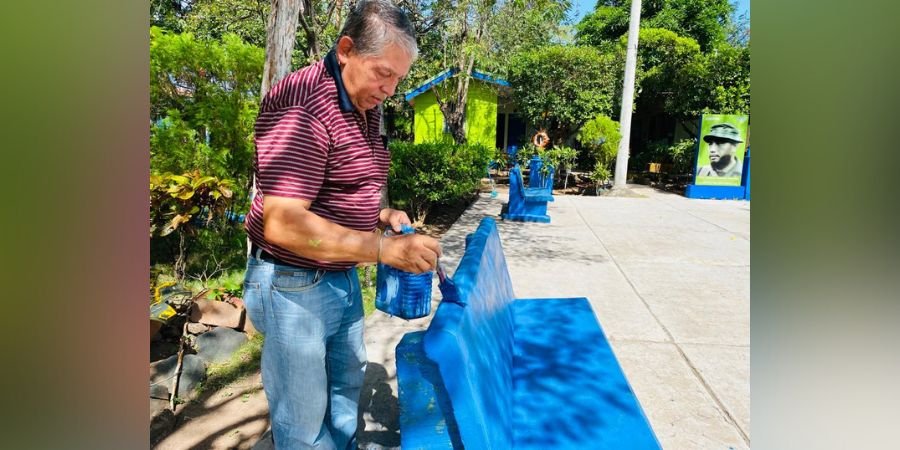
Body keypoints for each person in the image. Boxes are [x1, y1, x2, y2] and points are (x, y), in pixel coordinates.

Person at [241, 1, 441, 448]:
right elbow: (283, 223)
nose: (389, 89)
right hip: (294, 282)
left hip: (338, 272)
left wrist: (380, 216)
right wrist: (383, 250)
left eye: (398, 79)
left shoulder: (359, 101)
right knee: (304, 420)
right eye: (382, 73)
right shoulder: (304, 104)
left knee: (345, 395)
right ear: (346, 49)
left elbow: (339, 186)